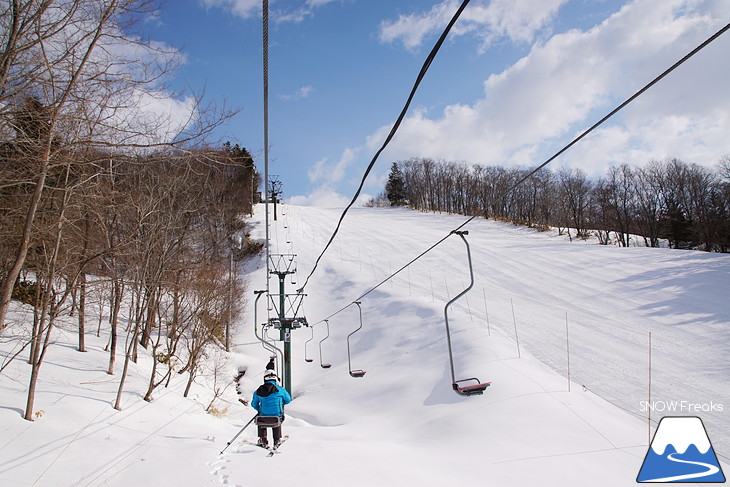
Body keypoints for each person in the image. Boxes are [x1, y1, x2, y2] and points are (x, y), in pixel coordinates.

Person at [251, 369, 291, 447]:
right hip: (276, 417)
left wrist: (259, 410)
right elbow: (288, 400)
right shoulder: (280, 390)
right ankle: (277, 439)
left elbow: (254, 404)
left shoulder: (259, 390)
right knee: (277, 419)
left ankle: (263, 439)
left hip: (263, 417)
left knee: (260, 419)